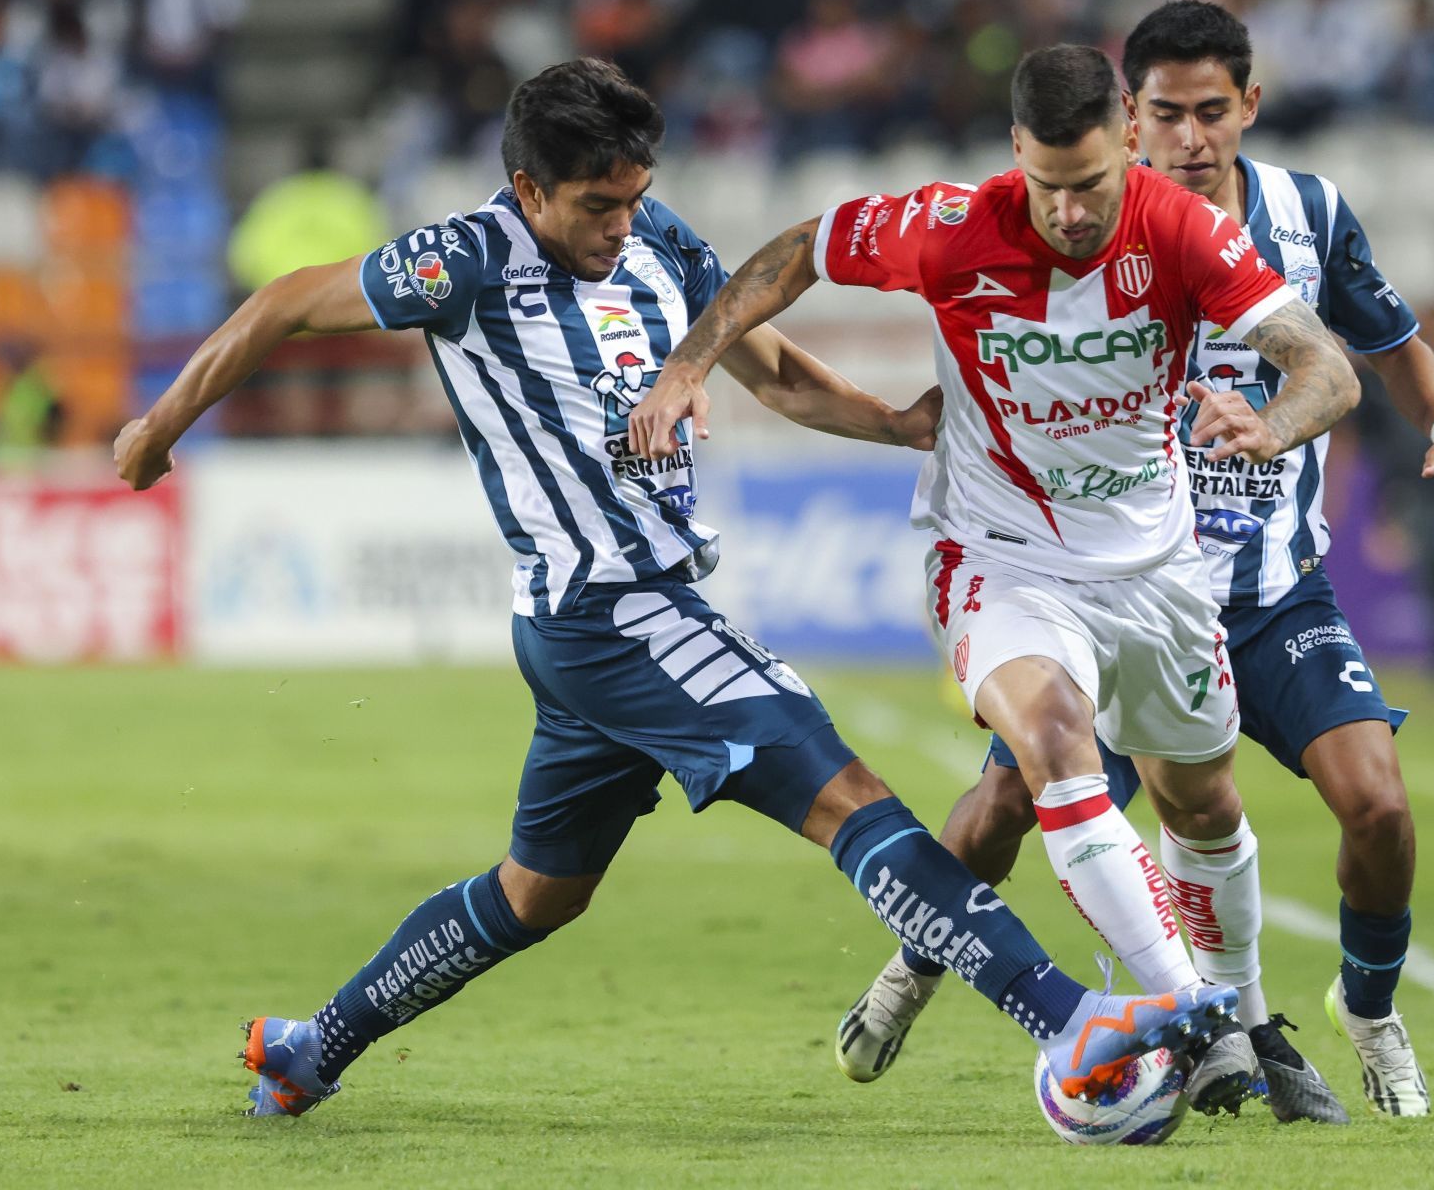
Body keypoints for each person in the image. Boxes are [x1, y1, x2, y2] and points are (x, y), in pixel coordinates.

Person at [112, 58, 1239, 1118]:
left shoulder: (657, 241)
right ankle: (1070, 1020)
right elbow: (288, 301)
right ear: (527, 188)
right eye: (597, 207)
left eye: (634, 197)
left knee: (534, 893)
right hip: (615, 612)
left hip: (605, 630)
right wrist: (162, 426)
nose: (621, 225)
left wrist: (893, 423)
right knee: (850, 795)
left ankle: (316, 1046)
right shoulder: (465, 260)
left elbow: (775, 368)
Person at [629, 43, 1362, 1116]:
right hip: (997, 551)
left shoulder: (1182, 227)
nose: (1071, 213)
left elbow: (1328, 366)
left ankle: (1238, 1007)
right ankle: (1196, 1020)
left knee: (1201, 802)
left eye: (1093, 184)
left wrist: (1273, 424)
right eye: (1051, 187)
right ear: (1018, 150)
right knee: (1050, 747)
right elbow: (801, 248)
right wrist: (691, 361)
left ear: (1124, 137)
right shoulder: (950, 225)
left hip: (1156, 566)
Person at [827, 0, 1434, 1122]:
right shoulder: (1088, 226)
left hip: (1269, 588)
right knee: (1000, 811)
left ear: (1249, 106)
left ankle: (1361, 1012)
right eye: (1167, 114)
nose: (1191, 136)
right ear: (1129, 120)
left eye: (1211, 112)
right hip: (1115, 580)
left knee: (1377, 805)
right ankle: (915, 966)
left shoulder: (1307, 214)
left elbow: (1383, 342)